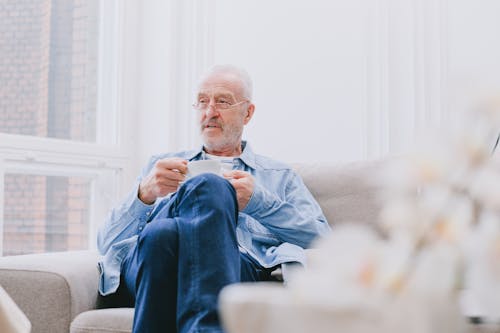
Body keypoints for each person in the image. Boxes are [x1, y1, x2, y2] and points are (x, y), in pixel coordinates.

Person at [97, 65, 331, 333]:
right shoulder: (160, 167)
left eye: (222, 101)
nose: (210, 112)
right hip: (144, 268)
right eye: (202, 101)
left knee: (163, 234)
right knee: (205, 188)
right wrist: (145, 193)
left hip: (235, 267)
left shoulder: (278, 176)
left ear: (248, 113)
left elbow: (322, 240)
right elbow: (105, 243)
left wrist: (259, 203)